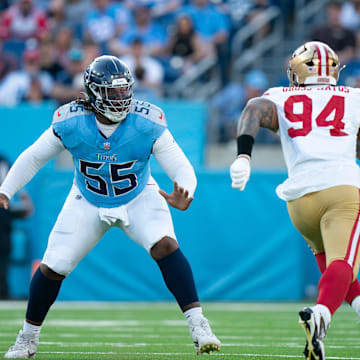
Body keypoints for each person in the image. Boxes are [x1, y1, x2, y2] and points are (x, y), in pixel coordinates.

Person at [0, 55, 220, 358]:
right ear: (92, 93)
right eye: (111, 92)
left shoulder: (145, 121)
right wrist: (6, 189)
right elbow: (34, 156)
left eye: (123, 91)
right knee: (53, 267)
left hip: (139, 194)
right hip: (87, 198)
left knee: (166, 245)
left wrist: (187, 191)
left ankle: (199, 325)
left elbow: (180, 166)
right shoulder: (72, 120)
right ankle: (27, 339)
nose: (120, 98)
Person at [230, 41, 360, 360]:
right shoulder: (355, 97)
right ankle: (321, 316)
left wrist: (244, 157)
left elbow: (252, 110)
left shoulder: (279, 95)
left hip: (299, 201)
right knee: (344, 264)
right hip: (341, 188)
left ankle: (328, 313)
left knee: (335, 267)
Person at [0, 154, 33, 300]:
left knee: (3, 252)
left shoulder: (3, 160)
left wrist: (24, 198)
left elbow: (12, 178)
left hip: (3, 213)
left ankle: (3, 290)